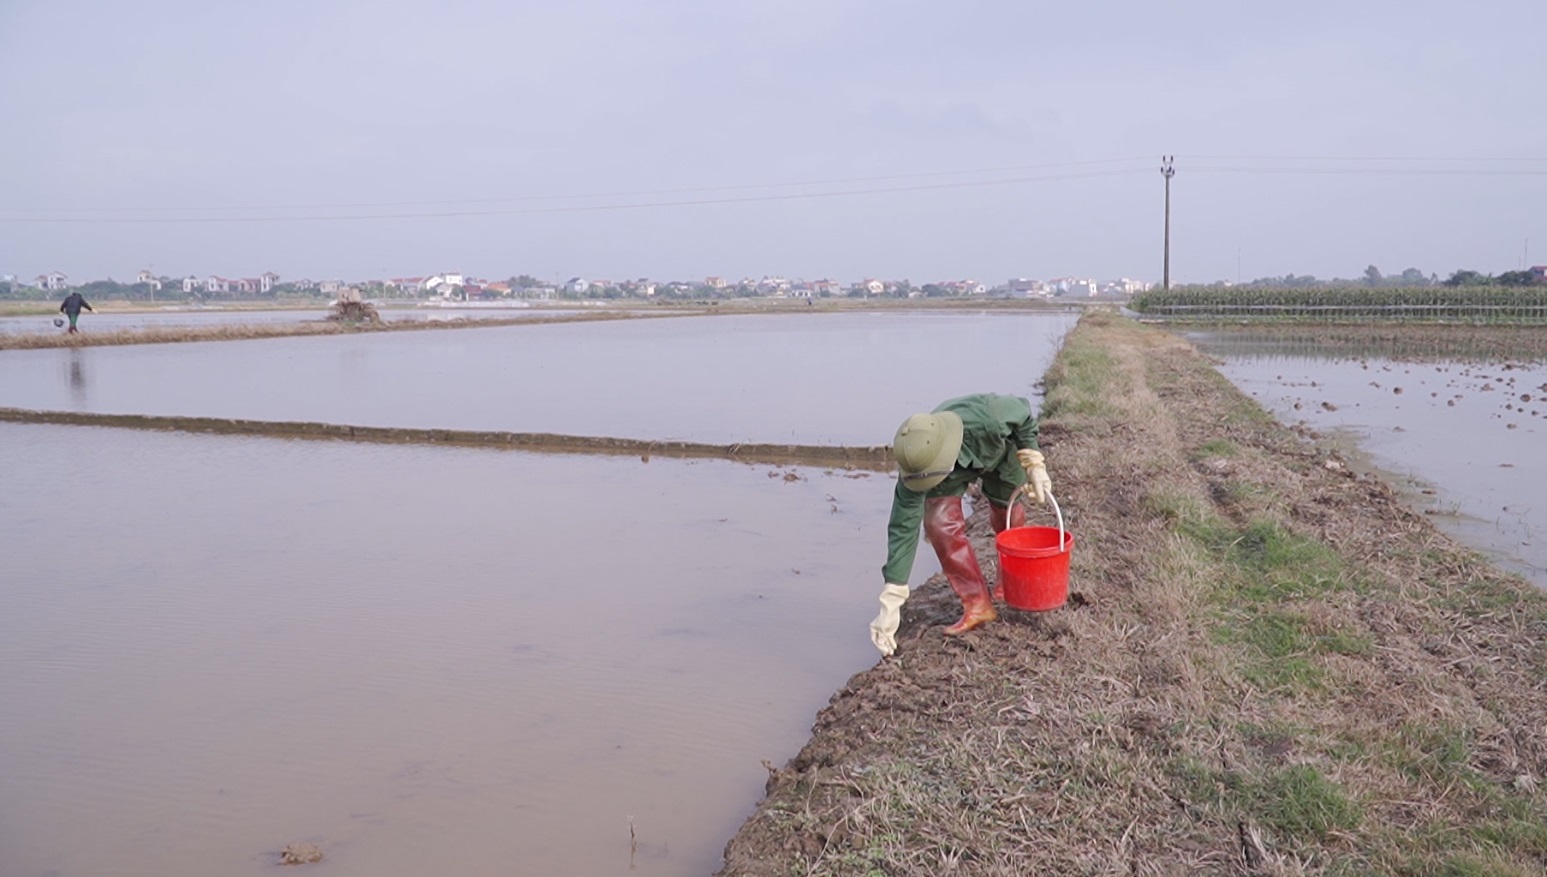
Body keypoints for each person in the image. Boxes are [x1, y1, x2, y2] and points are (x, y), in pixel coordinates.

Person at [869, 393, 1053, 656]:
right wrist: (892, 597)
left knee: (1007, 512)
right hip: (944, 469)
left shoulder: (991, 417)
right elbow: (903, 526)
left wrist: (1034, 462)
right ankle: (978, 605)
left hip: (999, 451)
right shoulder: (918, 460)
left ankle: (1009, 584)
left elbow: (1023, 414)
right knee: (939, 523)